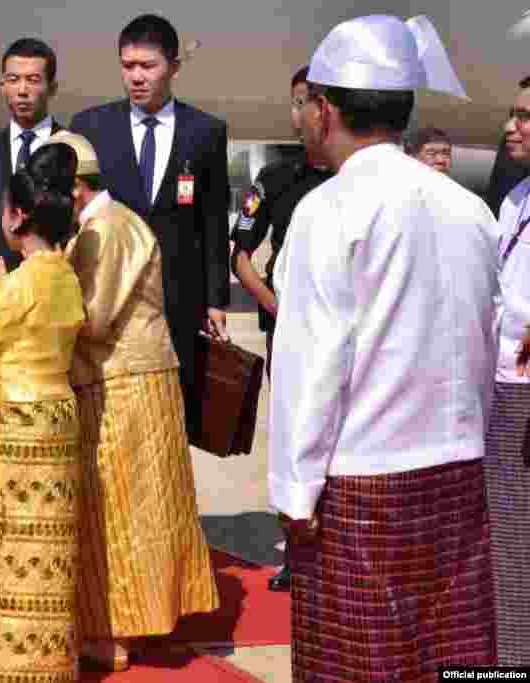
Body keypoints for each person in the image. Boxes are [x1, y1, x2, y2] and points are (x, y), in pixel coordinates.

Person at [269, 15, 499, 679]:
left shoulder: (329, 210)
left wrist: (296, 490)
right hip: (458, 475)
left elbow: (312, 369)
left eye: (305, 103)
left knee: (358, 663)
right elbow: (480, 347)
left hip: (362, 488)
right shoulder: (468, 208)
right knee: (456, 660)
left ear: (326, 108)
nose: (302, 118)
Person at [48, 130, 218, 671]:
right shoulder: (103, 223)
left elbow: (93, 319)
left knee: (118, 511)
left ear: (73, 188)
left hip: (123, 385)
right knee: (133, 510)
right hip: (127, 382)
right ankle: (130, 623)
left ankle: (113, 632)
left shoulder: (108, 229)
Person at [69, 14, 231, 435]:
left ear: (174, 67)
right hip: (108, 296)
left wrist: (215, 299)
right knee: (112, 419)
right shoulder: (91, 127)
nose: (136, 77)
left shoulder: (206, 132)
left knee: (170, 419)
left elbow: (213, 220)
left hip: (177, 298)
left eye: (148, 66)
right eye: (128, 66)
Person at [0, 143, 85, 683]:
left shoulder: (19, 283)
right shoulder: (65, 274)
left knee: (14, 549)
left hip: (17, 424)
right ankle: (55, 666)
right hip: (59, 415)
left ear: (16, 215)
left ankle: (14, 671)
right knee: (53, 549)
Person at [231, 65, 333, 593]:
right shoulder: (276, 179)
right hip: (288, 329)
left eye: (307, 102)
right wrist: (279, 310)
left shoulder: (352, 182)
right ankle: (297, 551)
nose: (297, 115)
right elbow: (242, 257)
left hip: (344, 332)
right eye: (293, 102)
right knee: (295, 436)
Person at [484, 77, 530, 666]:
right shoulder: (515, 198)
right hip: (501, 384)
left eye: (524, 117)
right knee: (507, 544)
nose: (510, 127)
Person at [0, 38, 63, 270]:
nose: (22, 90)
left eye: (33, 80)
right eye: (13, 80)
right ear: (3, 86)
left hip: (57, 293)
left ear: (52, 87)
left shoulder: (72, 149)